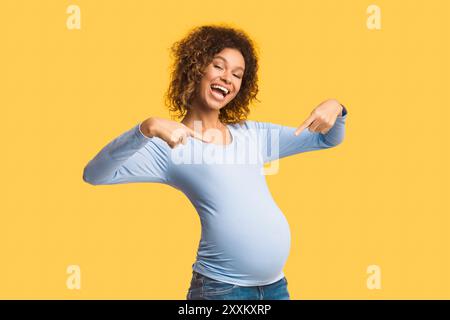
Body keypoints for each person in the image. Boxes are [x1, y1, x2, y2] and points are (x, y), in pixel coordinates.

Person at [82, 24, 348, 300]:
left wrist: (337, 107)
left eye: (237, 74)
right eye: (218, 66)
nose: (227, 78)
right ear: (196, 68)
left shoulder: (252, 135)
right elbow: (94, 174)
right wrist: (145, 128)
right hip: (221, 290)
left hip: (275, 287)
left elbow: (327, 139)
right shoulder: (170, 144)